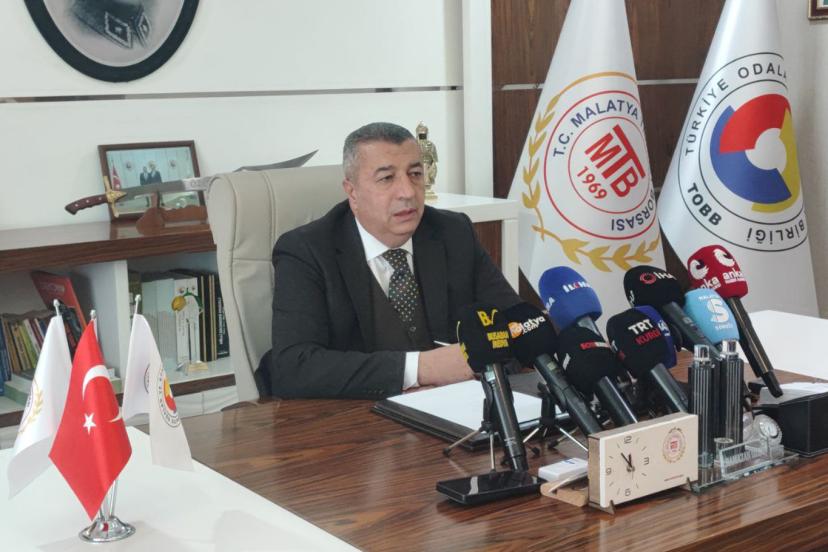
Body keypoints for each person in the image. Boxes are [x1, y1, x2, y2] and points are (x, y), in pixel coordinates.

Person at [262, 122, 520, 399]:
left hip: (456, 405)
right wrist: (421, 368)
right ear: (352, 192)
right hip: (356, 414)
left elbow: (518, 323)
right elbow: (295, 367)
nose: (407, 192)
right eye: (386, 178)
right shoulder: (306, 251)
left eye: (415, 174)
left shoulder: (452, 232)